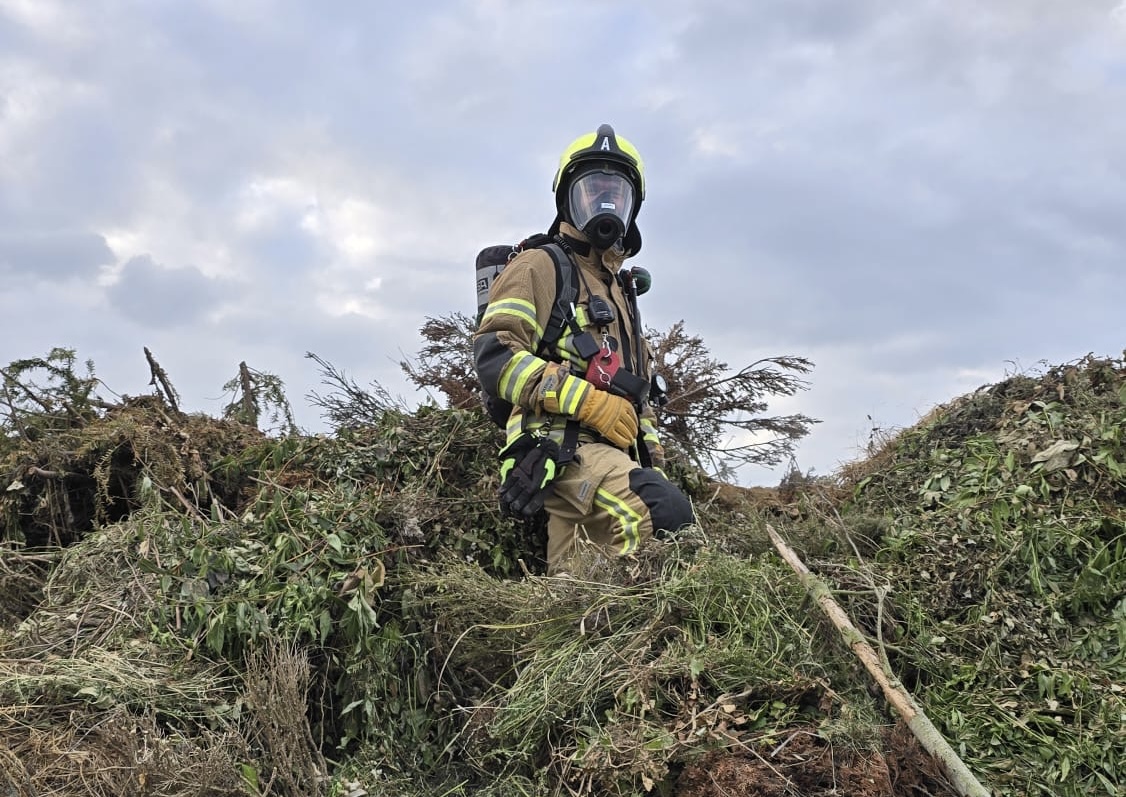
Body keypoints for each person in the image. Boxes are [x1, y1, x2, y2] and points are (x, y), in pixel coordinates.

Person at [473, 123, 695, 575]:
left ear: (633, 204)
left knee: (577, 587)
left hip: (610, 460)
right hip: (557, 448)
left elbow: (638, 401)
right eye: (593, 189)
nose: (605, 200)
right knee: (664, 514)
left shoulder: (621, 295)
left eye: (616, 191)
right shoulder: (539, 265)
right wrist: (588, 402)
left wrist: (652, 466)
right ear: (567, 197)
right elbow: (495, 356)